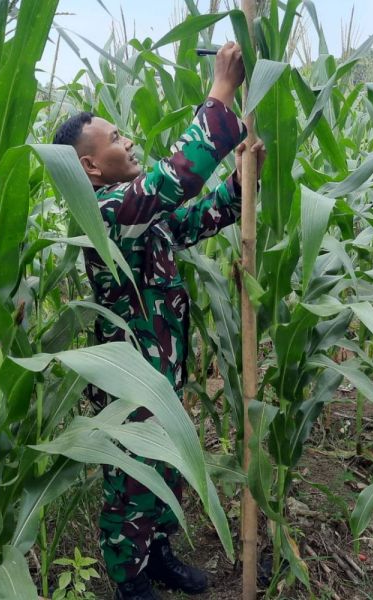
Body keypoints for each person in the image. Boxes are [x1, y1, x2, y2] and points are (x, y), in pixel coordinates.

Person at [53, 41, 266, 600]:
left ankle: (158, 553)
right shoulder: (104, 212)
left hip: (159, 371)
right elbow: (177, 180)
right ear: (89, 166)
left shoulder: (140, 213)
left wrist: (241, 183)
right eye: (117, 139)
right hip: (129, 382)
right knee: (130, 479)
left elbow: (195, 215)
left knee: (164, 465)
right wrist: (220, 92)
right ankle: (128, 577)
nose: (130, 141)